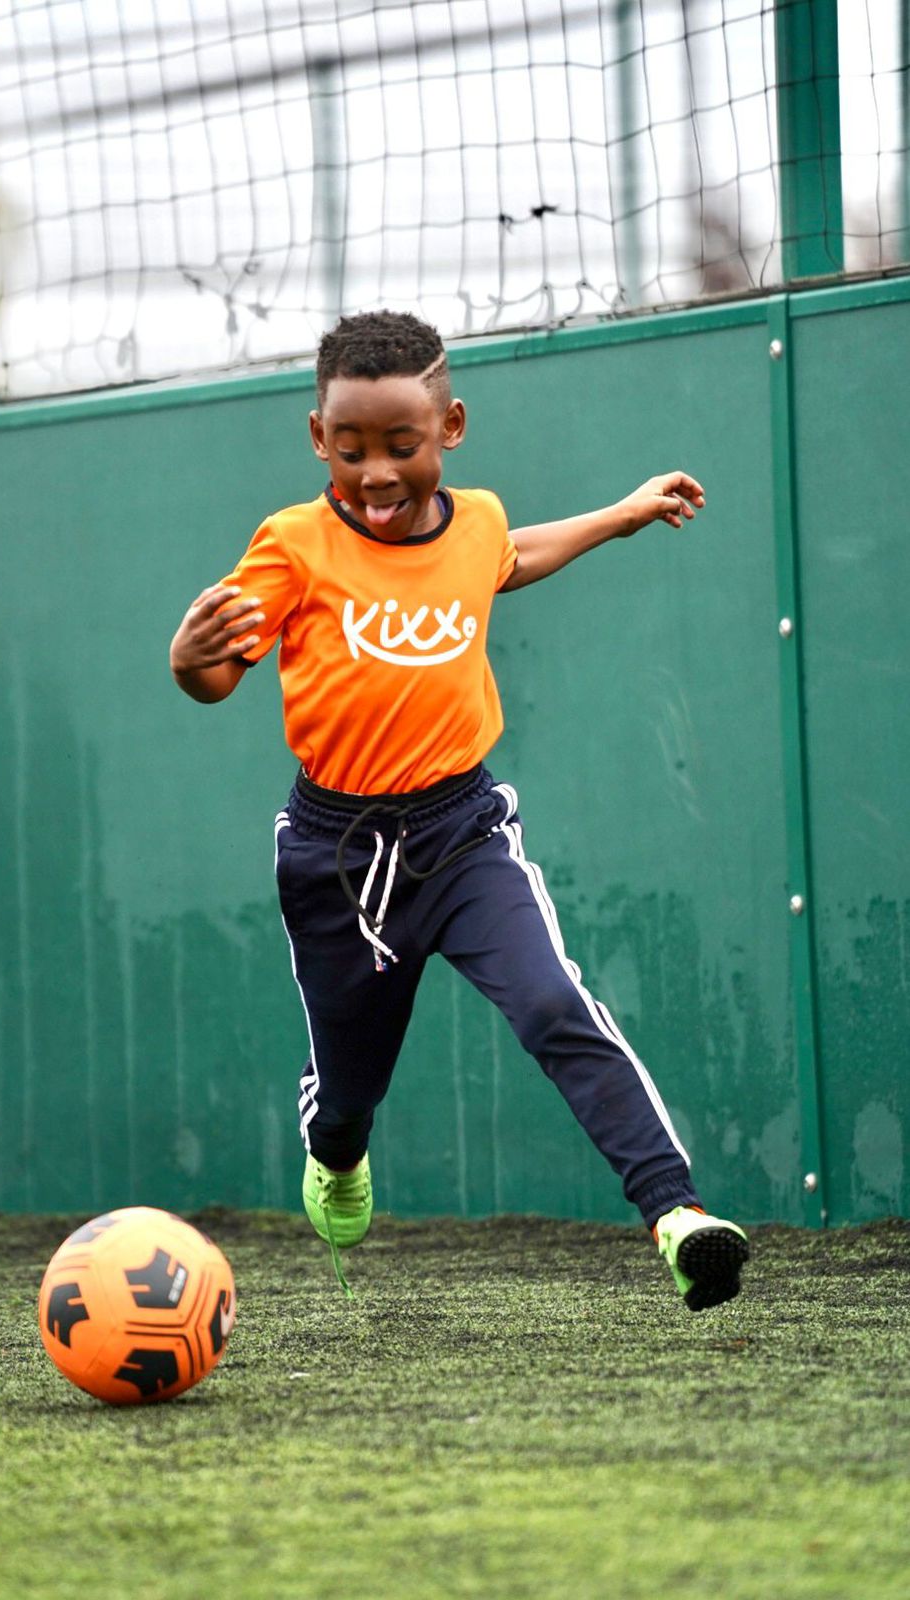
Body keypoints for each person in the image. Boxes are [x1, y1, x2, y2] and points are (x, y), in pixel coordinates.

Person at [170, 309, 748, 1311]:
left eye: (403, 445)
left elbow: (507, 558)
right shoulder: (294, 545)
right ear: (319, 439)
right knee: (349, 1095)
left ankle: (675, 1213)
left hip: (463, 833)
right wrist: (190, 660)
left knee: (554, 1003)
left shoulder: (474, 519)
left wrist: (623, 511)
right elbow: (221, 669)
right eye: (351, 450)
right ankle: (337, 1149)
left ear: (452, 428)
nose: (378, 473)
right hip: (337, 860)